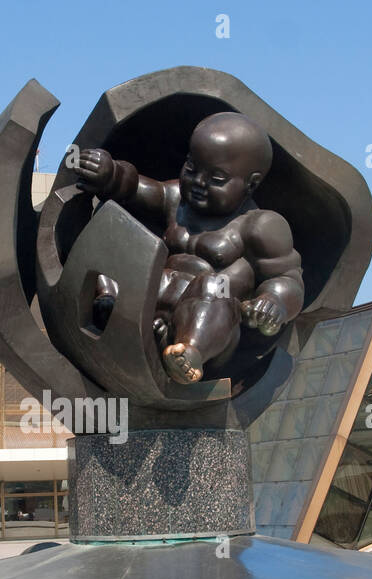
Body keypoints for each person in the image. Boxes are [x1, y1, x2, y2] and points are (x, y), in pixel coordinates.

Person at [72, 111, 304, 385]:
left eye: (217, 179)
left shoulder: (260, 225)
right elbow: (135, 188)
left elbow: (288, 279)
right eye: (192, 169)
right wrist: (110, 173)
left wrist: (273, 302)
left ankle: (188, 355)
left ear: (251, 184)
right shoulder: (176, 200)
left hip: (209, 330)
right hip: (147, 311)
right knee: (120, 246)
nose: (199, 183)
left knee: (214, 286)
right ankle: (109, 308)